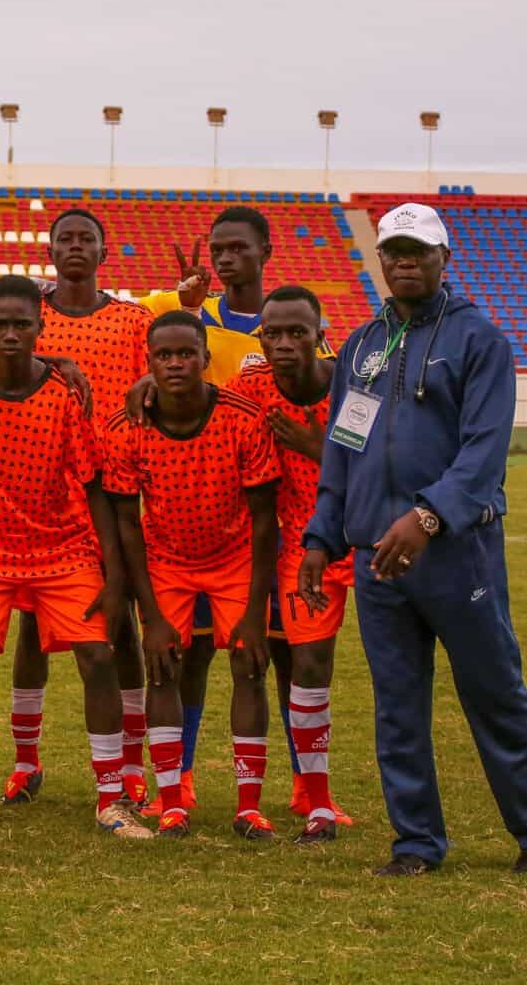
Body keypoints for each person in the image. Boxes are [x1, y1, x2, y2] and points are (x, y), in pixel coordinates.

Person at [301, 203, 527, 877]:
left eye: (417, 252)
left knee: (494, 694)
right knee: (397, 705)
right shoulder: (362, 344)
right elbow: (343, 446)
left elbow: (485, 450)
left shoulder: (478, 340)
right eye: (393, 251)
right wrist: (321, 535)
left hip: (455, 552)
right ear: (379, 260)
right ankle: (416, 844)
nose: (403, 262)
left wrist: (429, 517)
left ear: (443, 259)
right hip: (378, 557)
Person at [0, 277, 150, 841]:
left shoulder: (62, 395)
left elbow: (92, 485)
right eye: (2, 324)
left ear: (41, 330)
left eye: (23, 324)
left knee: (97, 657)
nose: (12, 334)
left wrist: (113, 577)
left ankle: (111, 800)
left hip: (60, 549)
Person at [133, 205, 317, 818]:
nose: (223, 258)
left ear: (266, 250)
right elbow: (147, 353)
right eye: (217, 248)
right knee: (193, 654)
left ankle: (303, 786)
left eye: (237, 247)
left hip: (272, 519)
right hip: (203, 518)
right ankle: (178, 780)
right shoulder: (188, 312)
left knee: (281, 654)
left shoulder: (293, 328)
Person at [105, 310, 281, 840]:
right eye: (164, 355)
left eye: (186, 354)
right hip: (165, 561)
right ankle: (172, 800)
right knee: (162, 666)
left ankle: (249, 805)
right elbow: (127, 524)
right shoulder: (127, 426)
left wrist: (254, 612)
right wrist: (151, 615)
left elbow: (265, 518)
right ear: (149, 362)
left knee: (249, 665)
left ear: (207, 360)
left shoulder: (242, 417)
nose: (176, 363)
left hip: (234, 559)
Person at [3, 208, 153, 807]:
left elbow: (157, 378)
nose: (73, 246)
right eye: (63, 237)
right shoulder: (28, 316)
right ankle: (24, 759)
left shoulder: (132, 320)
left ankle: (133, 763)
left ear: (103, 251)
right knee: (31, 626)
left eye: (84, 238)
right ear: (49, 248)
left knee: (122, 626)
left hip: (114, 489)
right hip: (40, 489)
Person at [227, 285, 348, 844]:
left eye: (296, 332)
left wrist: (316, 448)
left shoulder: (350, 386)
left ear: (319, 335)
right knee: (309, 665)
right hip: (298, 547)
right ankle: (317, 802)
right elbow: (206, 412)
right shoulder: (249, 390)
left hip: (365, 536)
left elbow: (384, 467)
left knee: (401, 667)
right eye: (271, 333)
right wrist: (148, 385)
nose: (282, 343)